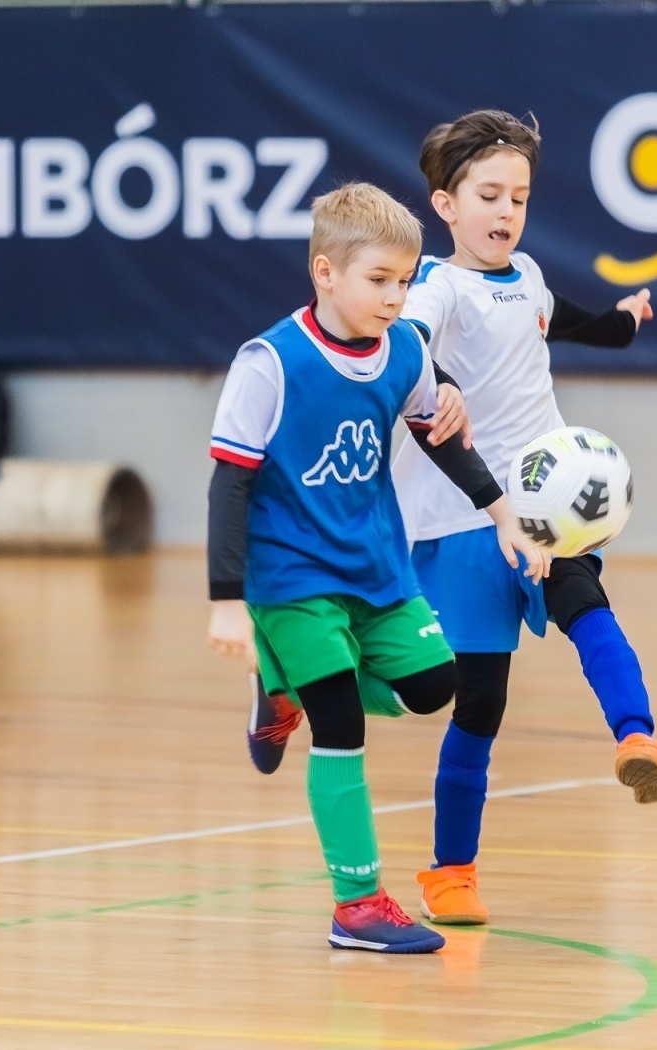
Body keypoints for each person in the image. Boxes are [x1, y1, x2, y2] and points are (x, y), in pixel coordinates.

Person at [203, 182, 549, 953]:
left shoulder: (405, 352)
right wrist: (227, 600)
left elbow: (442, 436)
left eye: (405, 281)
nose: (396, 298)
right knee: (343, 724)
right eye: (379, 281)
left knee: (435, 687)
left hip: (378, 569)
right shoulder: (271, 362)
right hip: (291, 579)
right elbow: (230, 482)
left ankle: (280, 681)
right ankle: (356, 906)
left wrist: (502, 518)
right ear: (326, 273)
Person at [399, 110, 657, 926]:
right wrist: (439, 381)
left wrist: (623, 320)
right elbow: (408, 343)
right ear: (447, 206)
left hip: (546, 505)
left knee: (586, 603)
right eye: (489, 194)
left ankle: (637, 738)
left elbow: (575, 323)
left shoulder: (530, 278)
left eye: (518, 195)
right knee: (476, 703)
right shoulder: (438, 288)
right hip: (462, 516)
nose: (506, 210)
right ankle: (452, 875)